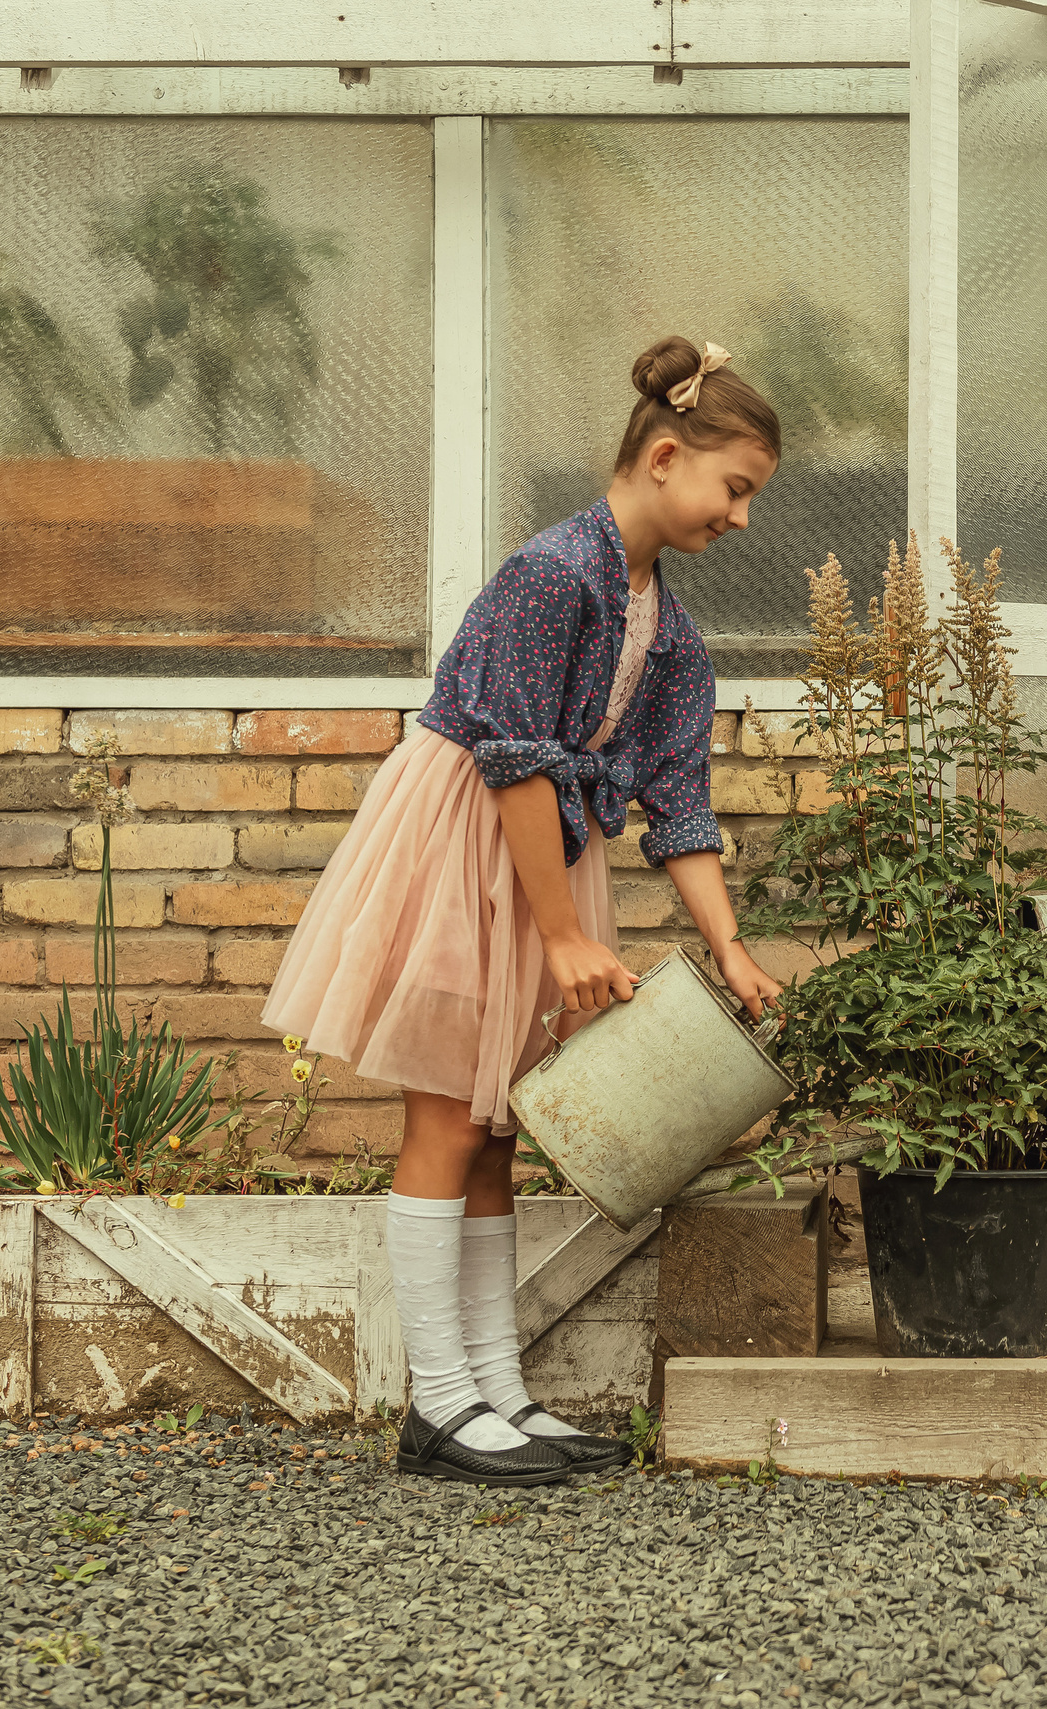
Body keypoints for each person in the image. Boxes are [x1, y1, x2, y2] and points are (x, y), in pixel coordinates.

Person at [263, 337, 786, 1483]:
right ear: (662, 455)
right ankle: (436, 1405)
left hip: (548, 858)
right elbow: (507, 763)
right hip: (471, 842)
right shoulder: (552, 575)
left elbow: (679, 808)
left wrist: (732, 951)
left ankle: (497, 1387)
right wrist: (559, 932)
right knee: (450, 1113)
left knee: (502, 1128)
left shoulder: (674, 637)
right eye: (735, 489)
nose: (741, 517)